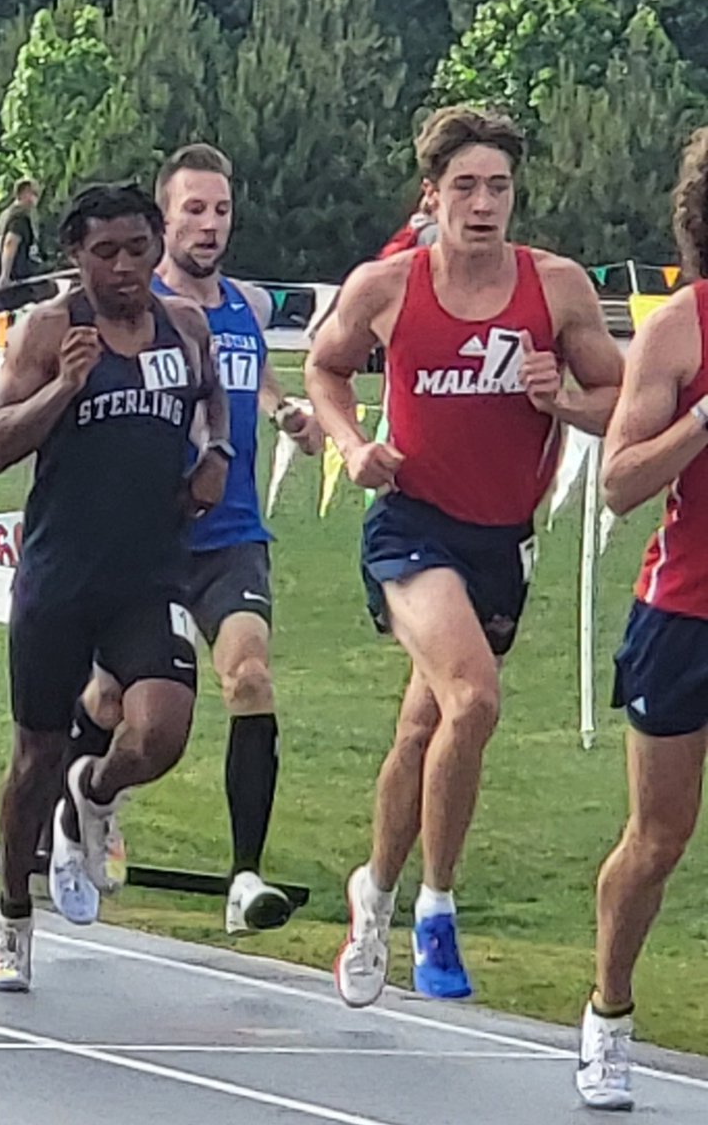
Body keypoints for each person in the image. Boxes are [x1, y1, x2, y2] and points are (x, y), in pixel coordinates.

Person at [306, 106, 623, 1006]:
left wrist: (561, 400)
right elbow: (325, 368)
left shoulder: (556, 288)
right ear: (432, 196)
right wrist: (351, 446)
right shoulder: (388, 286)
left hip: (500, 541)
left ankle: (374, 891)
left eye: (499, 188)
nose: (483, 205)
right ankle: (437, 908)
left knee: (426, 728)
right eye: (466, 188)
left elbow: (621, 400)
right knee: (475, 699)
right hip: (412, 524)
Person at [0, 183, 230, 991]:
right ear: (74, 256)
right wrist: (62, 388)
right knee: (35, 757)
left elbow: (211, 395)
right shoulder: (51, 330)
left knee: (162, 733)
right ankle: (12, 914)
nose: (123, 267)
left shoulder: (184, 326)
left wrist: (218, 453)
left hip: (148, 572)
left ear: (157, 246)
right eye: (104, 252)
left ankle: (94, 790)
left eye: (136, 249)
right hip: (60, 575)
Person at [72, 144, 322, 936]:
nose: (210, 225)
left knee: (249, 677)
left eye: (221, 210)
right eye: (194, 210)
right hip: (150, 539)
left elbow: (253, 375)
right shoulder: (139, 309)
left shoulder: (243, 305)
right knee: (111, 702)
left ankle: (245, 878)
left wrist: (286, 412)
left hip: (233, 535)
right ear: (163, 220)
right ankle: (89, 799)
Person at [576, 128, 708, 1111]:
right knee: (659, 838)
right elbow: (619, 481)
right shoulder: (679, 329)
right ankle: (608, 1013)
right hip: (686, 613)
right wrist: (702, 419)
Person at [0, 179, 45, 316]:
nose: (36, 200)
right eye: (34, 194)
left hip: (4, 280)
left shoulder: (6, 215)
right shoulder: (19, 218)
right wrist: (5, 276)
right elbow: (10, 243)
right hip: (12, 284)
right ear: (24, 193)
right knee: (16, 320)